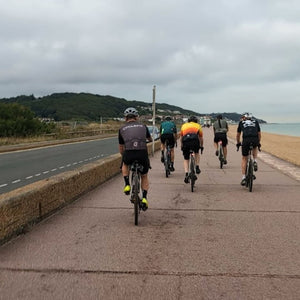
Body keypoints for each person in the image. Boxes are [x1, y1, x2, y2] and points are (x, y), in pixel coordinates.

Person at [118, 107, 152, 210]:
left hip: (129, 153)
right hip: (142, 153)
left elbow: (121, 147)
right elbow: (150, 139)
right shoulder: (143, 126)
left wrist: (123, 156)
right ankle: (145, 198)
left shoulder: (122, 129)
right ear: (136, 117)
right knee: (144, 175)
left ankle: (127, 184)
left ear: (125, 118)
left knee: (124, 163)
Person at [236, 112, 261, 186]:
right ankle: (255, 161)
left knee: (244, 158)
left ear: (244, 117)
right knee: (255, 146)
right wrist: (258, 142)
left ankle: (243, 177)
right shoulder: (255, 122)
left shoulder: (241, 122)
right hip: (254, 139)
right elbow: (259, 134)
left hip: (246, 140)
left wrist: (238, 142)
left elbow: (238, 135)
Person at [180, 116, 204, 183]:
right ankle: (197, 166)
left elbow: (181, 137)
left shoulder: (184, 125)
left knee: (186, 159)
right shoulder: (198, 126)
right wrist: (201, 146)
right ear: (196, 121)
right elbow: (201, 138)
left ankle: (186, 174)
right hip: (194, 142)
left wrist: (181, 145)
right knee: (196, 153)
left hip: (186, 142)